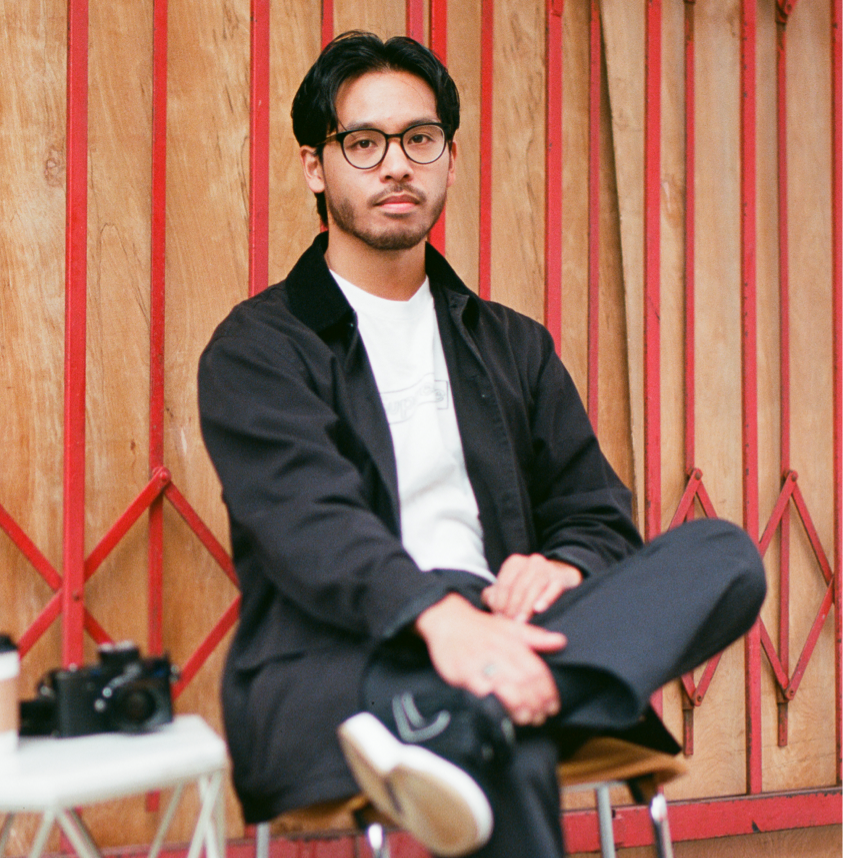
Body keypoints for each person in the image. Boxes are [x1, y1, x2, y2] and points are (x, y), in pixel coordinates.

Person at [197, 31, 765, 858]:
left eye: (420, 139)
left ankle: (477, 704)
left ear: (450, 159)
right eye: (364, 142)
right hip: (346, 660)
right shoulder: (260, 347)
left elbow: (596, 510)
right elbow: (308, 525)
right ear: (316, 167)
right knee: (512, 747)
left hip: (509, 627)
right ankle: (480, 710)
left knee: (724, 554)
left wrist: (563, 564)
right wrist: (436, 616)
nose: (397, 165)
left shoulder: (511, 345)